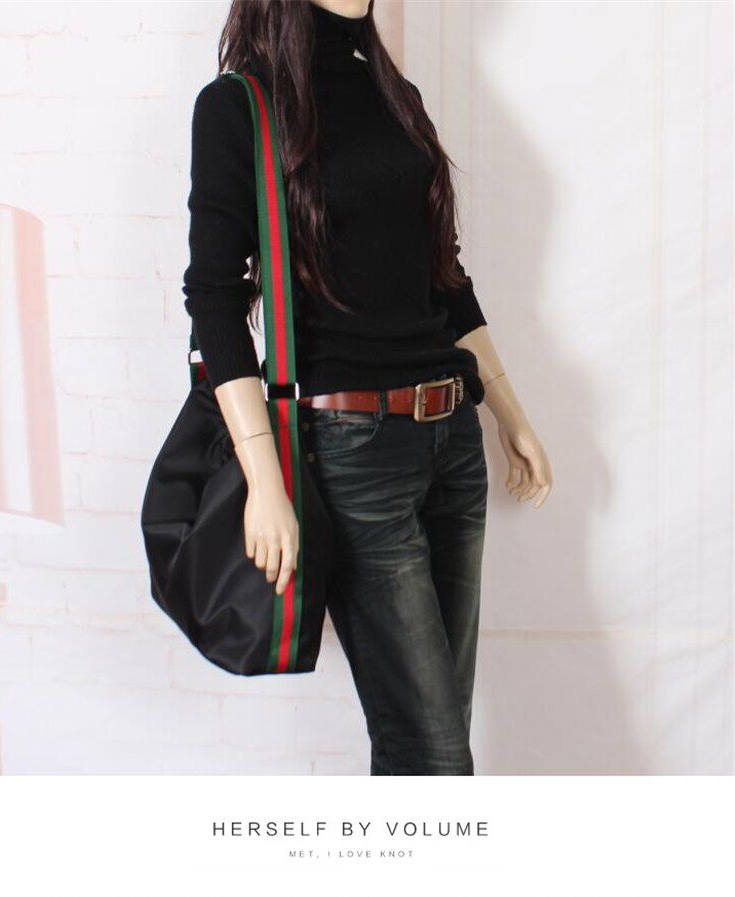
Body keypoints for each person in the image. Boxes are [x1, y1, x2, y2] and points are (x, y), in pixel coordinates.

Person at [182, 0, 552, 775]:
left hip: (454, 444)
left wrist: (508, 410)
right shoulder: (239, 107)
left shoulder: (393, 95)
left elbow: (444, 278)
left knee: (431, 739)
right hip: (353, 456)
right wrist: (265, 479)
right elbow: (215, 301)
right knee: (433, 752)